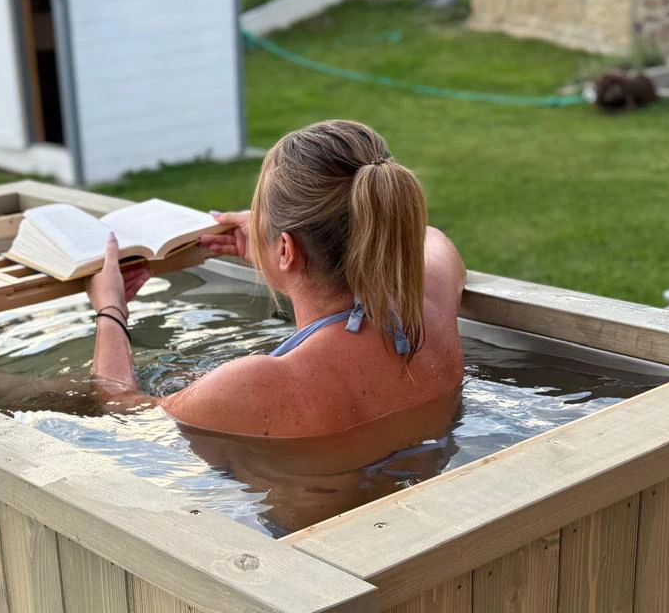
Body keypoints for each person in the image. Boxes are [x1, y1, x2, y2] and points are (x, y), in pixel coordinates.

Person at [85, 119, 466, 438]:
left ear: (287, 249)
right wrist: (277, 249)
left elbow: (126, 410)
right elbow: (433, 240)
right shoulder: (427, 308)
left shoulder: (259, 384)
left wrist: (111, 310)